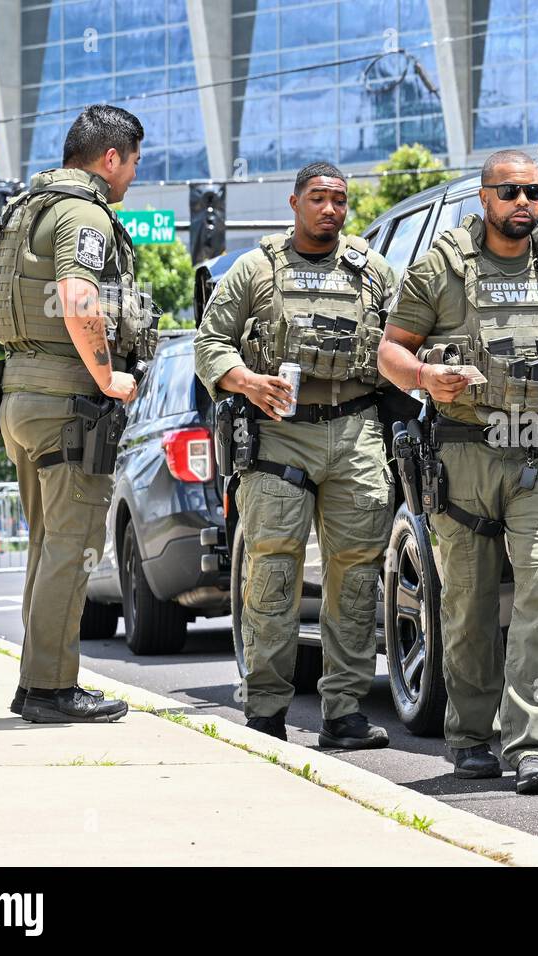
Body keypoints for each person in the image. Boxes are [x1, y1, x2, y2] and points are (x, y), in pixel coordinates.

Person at [378, 149, 538, 794]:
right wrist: (422, 378)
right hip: (465, 452)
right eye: (511, 193)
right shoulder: (442, 266)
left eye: (535, 192)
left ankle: (532, 745)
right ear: (485, 200)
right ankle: (470, 736)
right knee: (465, 604)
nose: (525, 203)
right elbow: (389, 348)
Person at [195, 163, 398, 747]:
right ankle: (265, 714)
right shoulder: (256, 270)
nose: (330, 209)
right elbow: (210, 342)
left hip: (356, 429)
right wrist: (245, 382)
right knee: (273, 572)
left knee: (357, 577)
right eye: (318, 199)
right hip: (278, 432)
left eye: (339, 199)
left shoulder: (371, 271)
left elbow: (406, 338)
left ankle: (344, 713)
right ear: (294, 202)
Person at [0, 104, 149, 723]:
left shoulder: (26, 208)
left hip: (20, 397)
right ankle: (53, 690)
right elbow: (78, 294)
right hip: (66, 403)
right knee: (75, 545)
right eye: (133, 161)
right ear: (111, 158)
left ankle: (37, 683)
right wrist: (109, 375)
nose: (134, 174)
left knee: (48, 546)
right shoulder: (85, 214)